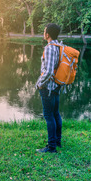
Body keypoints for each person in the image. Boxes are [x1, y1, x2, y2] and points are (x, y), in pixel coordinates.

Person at [36, 23, 62, 153]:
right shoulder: (59, 46)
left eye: (44, 31)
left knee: (49, 116)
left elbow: (49, 71)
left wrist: (39, 84)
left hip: (49, 87)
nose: (43, 33)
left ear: (47, 34)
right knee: (55, 113)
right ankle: (57, 142)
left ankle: (52, 147)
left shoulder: (50, 48)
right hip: (56, 85)